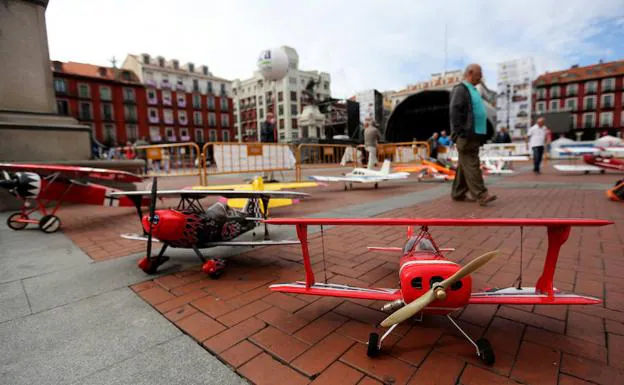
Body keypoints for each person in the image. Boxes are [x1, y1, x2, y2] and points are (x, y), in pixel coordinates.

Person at [449, 63, 497, 206]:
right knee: (472, 164)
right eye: (479, 74)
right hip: (467, 135)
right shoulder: (461, 89)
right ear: (470, 73)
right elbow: (455, 112)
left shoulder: (472, 89)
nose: (481, 77)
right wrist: (461, 133)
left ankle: (458, 193)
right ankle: (481, 194)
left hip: (474, 134)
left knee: (465, 165)